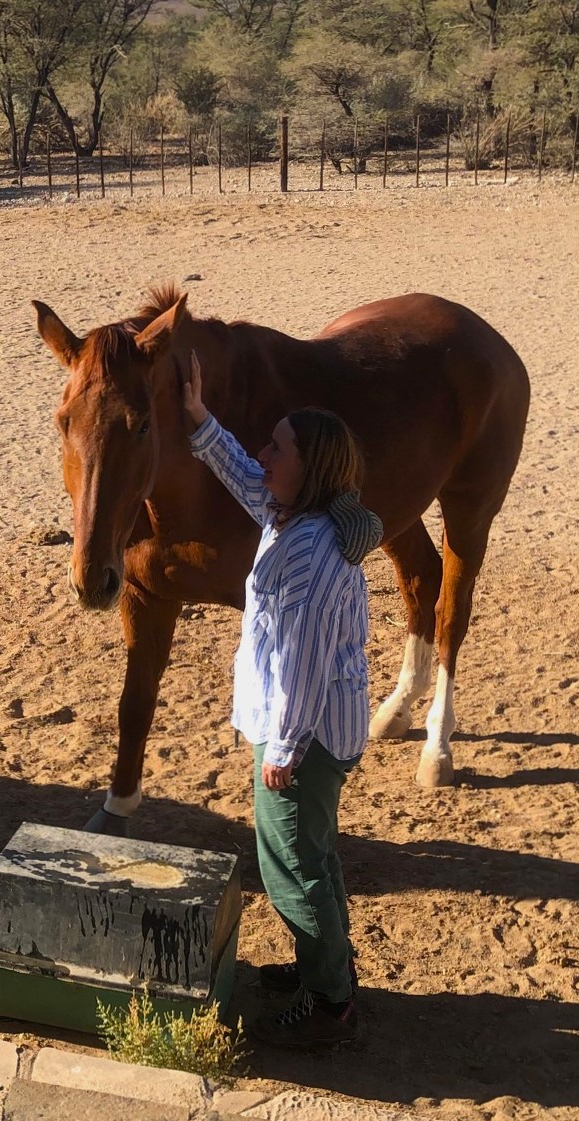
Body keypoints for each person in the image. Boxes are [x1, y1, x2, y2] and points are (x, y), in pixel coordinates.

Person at [180, 351, 383, 1048]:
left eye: (279, 447)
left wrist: (286, 751)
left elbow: (301, 661)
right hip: (321, 726)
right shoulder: (295, 515)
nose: (264, 453)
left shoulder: (309, 552)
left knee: (289, 862)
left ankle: (329, 1002)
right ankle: (321, 970)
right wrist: (199, 417)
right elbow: (241, 471)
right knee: (316, 855)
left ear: (312, 468)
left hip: (307, 733)